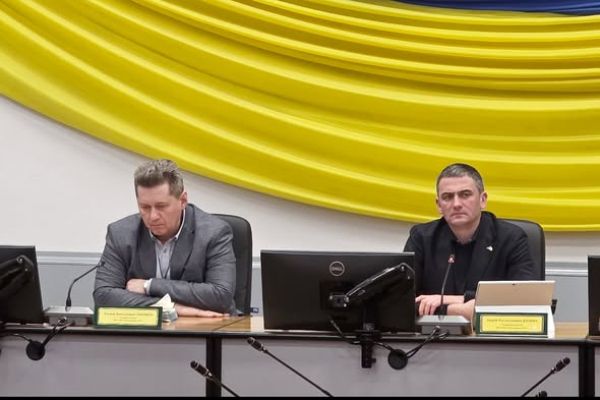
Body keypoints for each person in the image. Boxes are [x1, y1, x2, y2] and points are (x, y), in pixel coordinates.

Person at [93, 159, 236, 317]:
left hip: (205, 327)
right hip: (147, 330)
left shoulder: (214, 233)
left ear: (183, 201)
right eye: (145, 207)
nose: (153, 216)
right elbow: (103, 296)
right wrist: (172, 308)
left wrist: (150, 286)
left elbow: (221, 295)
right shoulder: (120, 234)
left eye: (161, 206)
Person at [404, 163, 536, 320]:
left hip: (493, 333)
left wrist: (450, 301)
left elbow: (525, 297)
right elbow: (401, 300)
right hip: (435, 333)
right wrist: (465, 309)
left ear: (482, 200)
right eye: (447, 197)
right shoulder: (421, 237)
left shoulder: (511, 238)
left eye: (465, 195)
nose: (456, 204)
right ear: (439, 205)